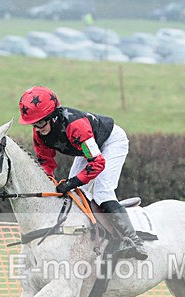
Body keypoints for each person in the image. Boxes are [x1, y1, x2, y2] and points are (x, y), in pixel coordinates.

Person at [18, 86, 148, 261]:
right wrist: (48, 181)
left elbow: (97, 163)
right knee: (77, 196)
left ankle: (133, 241)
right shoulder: (39, 133)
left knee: (102, 192)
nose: (37, 128)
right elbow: (46, 163)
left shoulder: (75, 125)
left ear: (53, 117)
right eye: (33, 124)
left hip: (110, 142)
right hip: (85, 150)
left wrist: (72, 182)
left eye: (40, 123)